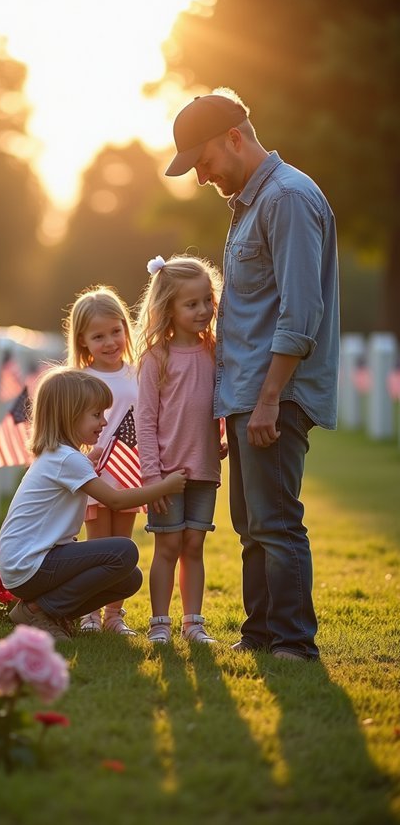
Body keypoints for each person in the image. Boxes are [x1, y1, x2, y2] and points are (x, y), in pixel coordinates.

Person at [165, 88, 340, 661]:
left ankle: (292, 642)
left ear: (233, 138)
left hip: (275, 396)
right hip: (246, 395)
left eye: (204, 162)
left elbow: (299, 312)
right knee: (250, 523)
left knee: (276, 522)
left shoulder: (287, 199)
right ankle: (261, 634)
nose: (201, 177)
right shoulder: (251, 204)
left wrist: (267, 399)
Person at [0, 366, 186, 641]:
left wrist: (88, 462)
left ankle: (51, 612)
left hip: (29, 563)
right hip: (30, 564)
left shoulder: (60, 456)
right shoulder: (66, 459)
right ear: (69, 416)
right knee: (123, 551)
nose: (104, 422)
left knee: (129, 578)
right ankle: (39, 610)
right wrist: (163, 488)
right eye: (97, 415)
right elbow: (115, 500)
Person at [135, 254, 228, 644]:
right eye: (191, 304)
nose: (203, 310)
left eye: (207, 300)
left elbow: (221, 396)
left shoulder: (214, 351)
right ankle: (160, 623)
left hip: (204, 467)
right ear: (168, 308)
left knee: (194, 544)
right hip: (167, 473)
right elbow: (146, 419)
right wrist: (153, 476)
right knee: (168, 545)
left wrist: (221, 435)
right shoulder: (157, 357)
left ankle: (194, 623)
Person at [65, 286, 141, 636]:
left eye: (116, 331)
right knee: (98, 546)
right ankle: (90, 614)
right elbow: (69, 429)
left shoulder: (139, 374)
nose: (110, 342)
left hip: (128, 472)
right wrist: (84, 454)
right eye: (98, 336)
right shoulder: (81, 380)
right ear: (83, 341)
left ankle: (115, 614)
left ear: (126, 328)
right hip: (93, 474)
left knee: (123, 545)